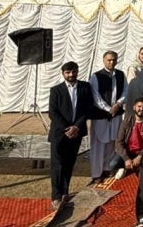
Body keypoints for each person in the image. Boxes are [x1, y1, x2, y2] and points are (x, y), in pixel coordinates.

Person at [48, 61, 93, 210]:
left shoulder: (85, 87)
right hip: (59, 134)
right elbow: (53, 112)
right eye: (68, 72)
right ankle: (55, 196)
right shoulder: (56, 90)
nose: (71, 75)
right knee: (57, 165)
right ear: (63, 74)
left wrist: (76, 127)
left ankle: (65, 193)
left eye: (73, 71)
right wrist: (67, 128)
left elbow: (87, 109)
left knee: (69, 163)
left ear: (77, 71)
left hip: (76, 133)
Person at [89, 51, 127, 184]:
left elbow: (125, 91)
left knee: (112, 142)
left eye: (114, 60)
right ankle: (96, 173)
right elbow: (95, 96)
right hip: (101, 115)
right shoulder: (96, 76)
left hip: (115, 114)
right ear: (104, 60)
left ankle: (107, 167)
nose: (112, 62)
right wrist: (107, 108)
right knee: (99, 143)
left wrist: (118, 104)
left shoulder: (121, 74)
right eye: (109, 60)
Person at [114, 96, 143, 180]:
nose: (141, 109)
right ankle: (125, 167)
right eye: (139, 106)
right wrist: (126, 158)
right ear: (134, 107)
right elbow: (119, 142)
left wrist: (140, 156)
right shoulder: (127, 121)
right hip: (129, 152)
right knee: (113, 164)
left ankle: (140, 168)